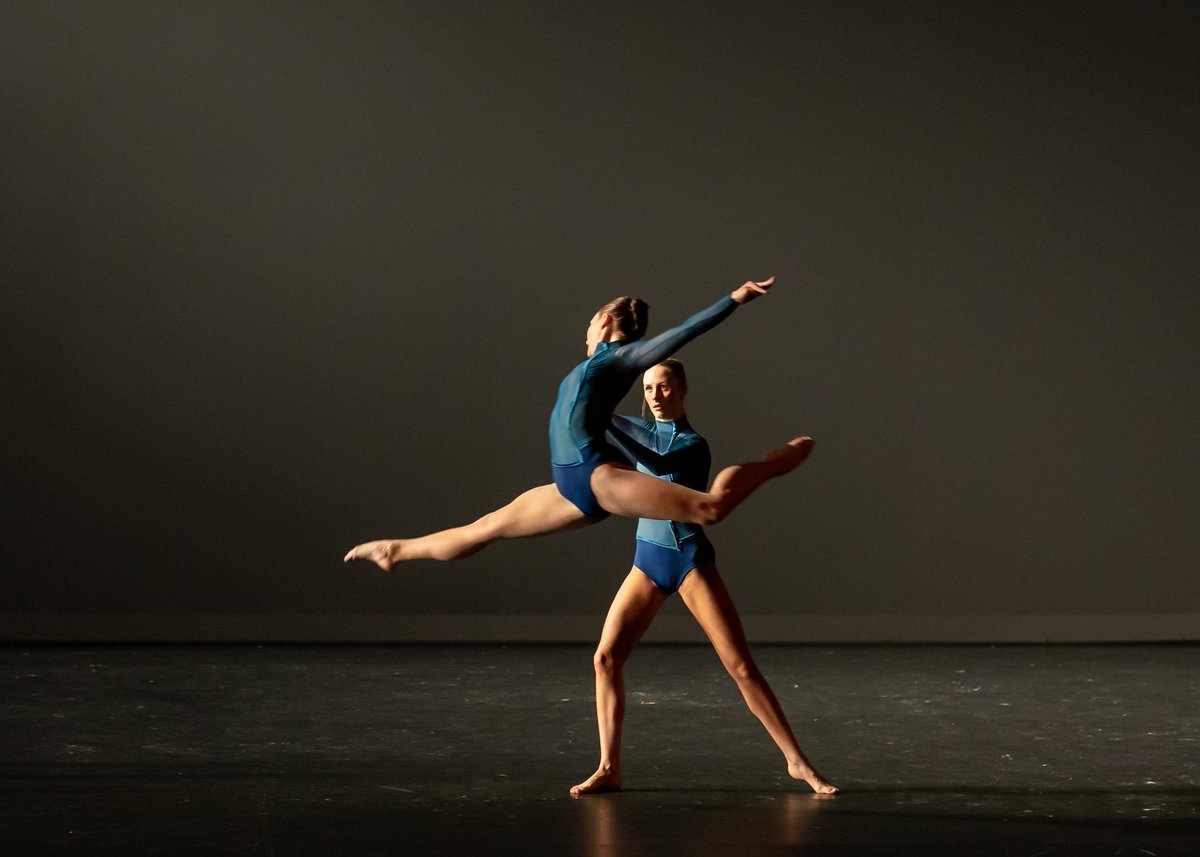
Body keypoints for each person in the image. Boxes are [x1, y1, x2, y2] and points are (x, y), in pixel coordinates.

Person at [344, 277, 813, 568]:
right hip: (569, 484)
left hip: (597, 475)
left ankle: (776, 461)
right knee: (485, 527)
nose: (584, 333)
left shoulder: (621, 358)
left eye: (589, 325)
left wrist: (732, 299)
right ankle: (397, 551)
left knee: (710, 508)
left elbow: (682, 333)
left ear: (606, 320)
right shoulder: (590, 370)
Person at [569, 359, 838, 797]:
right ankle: (608, 767)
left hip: (688, 559)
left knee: (740, 666)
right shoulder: (636, 427)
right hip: (647, 560)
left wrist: (602, 422)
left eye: (665, 387)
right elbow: (586, 411)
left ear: (683, 391)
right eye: (650, 388)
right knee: (605, 658)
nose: (656, 396)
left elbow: (655, 460)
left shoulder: (693, 444)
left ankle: (798, 763)